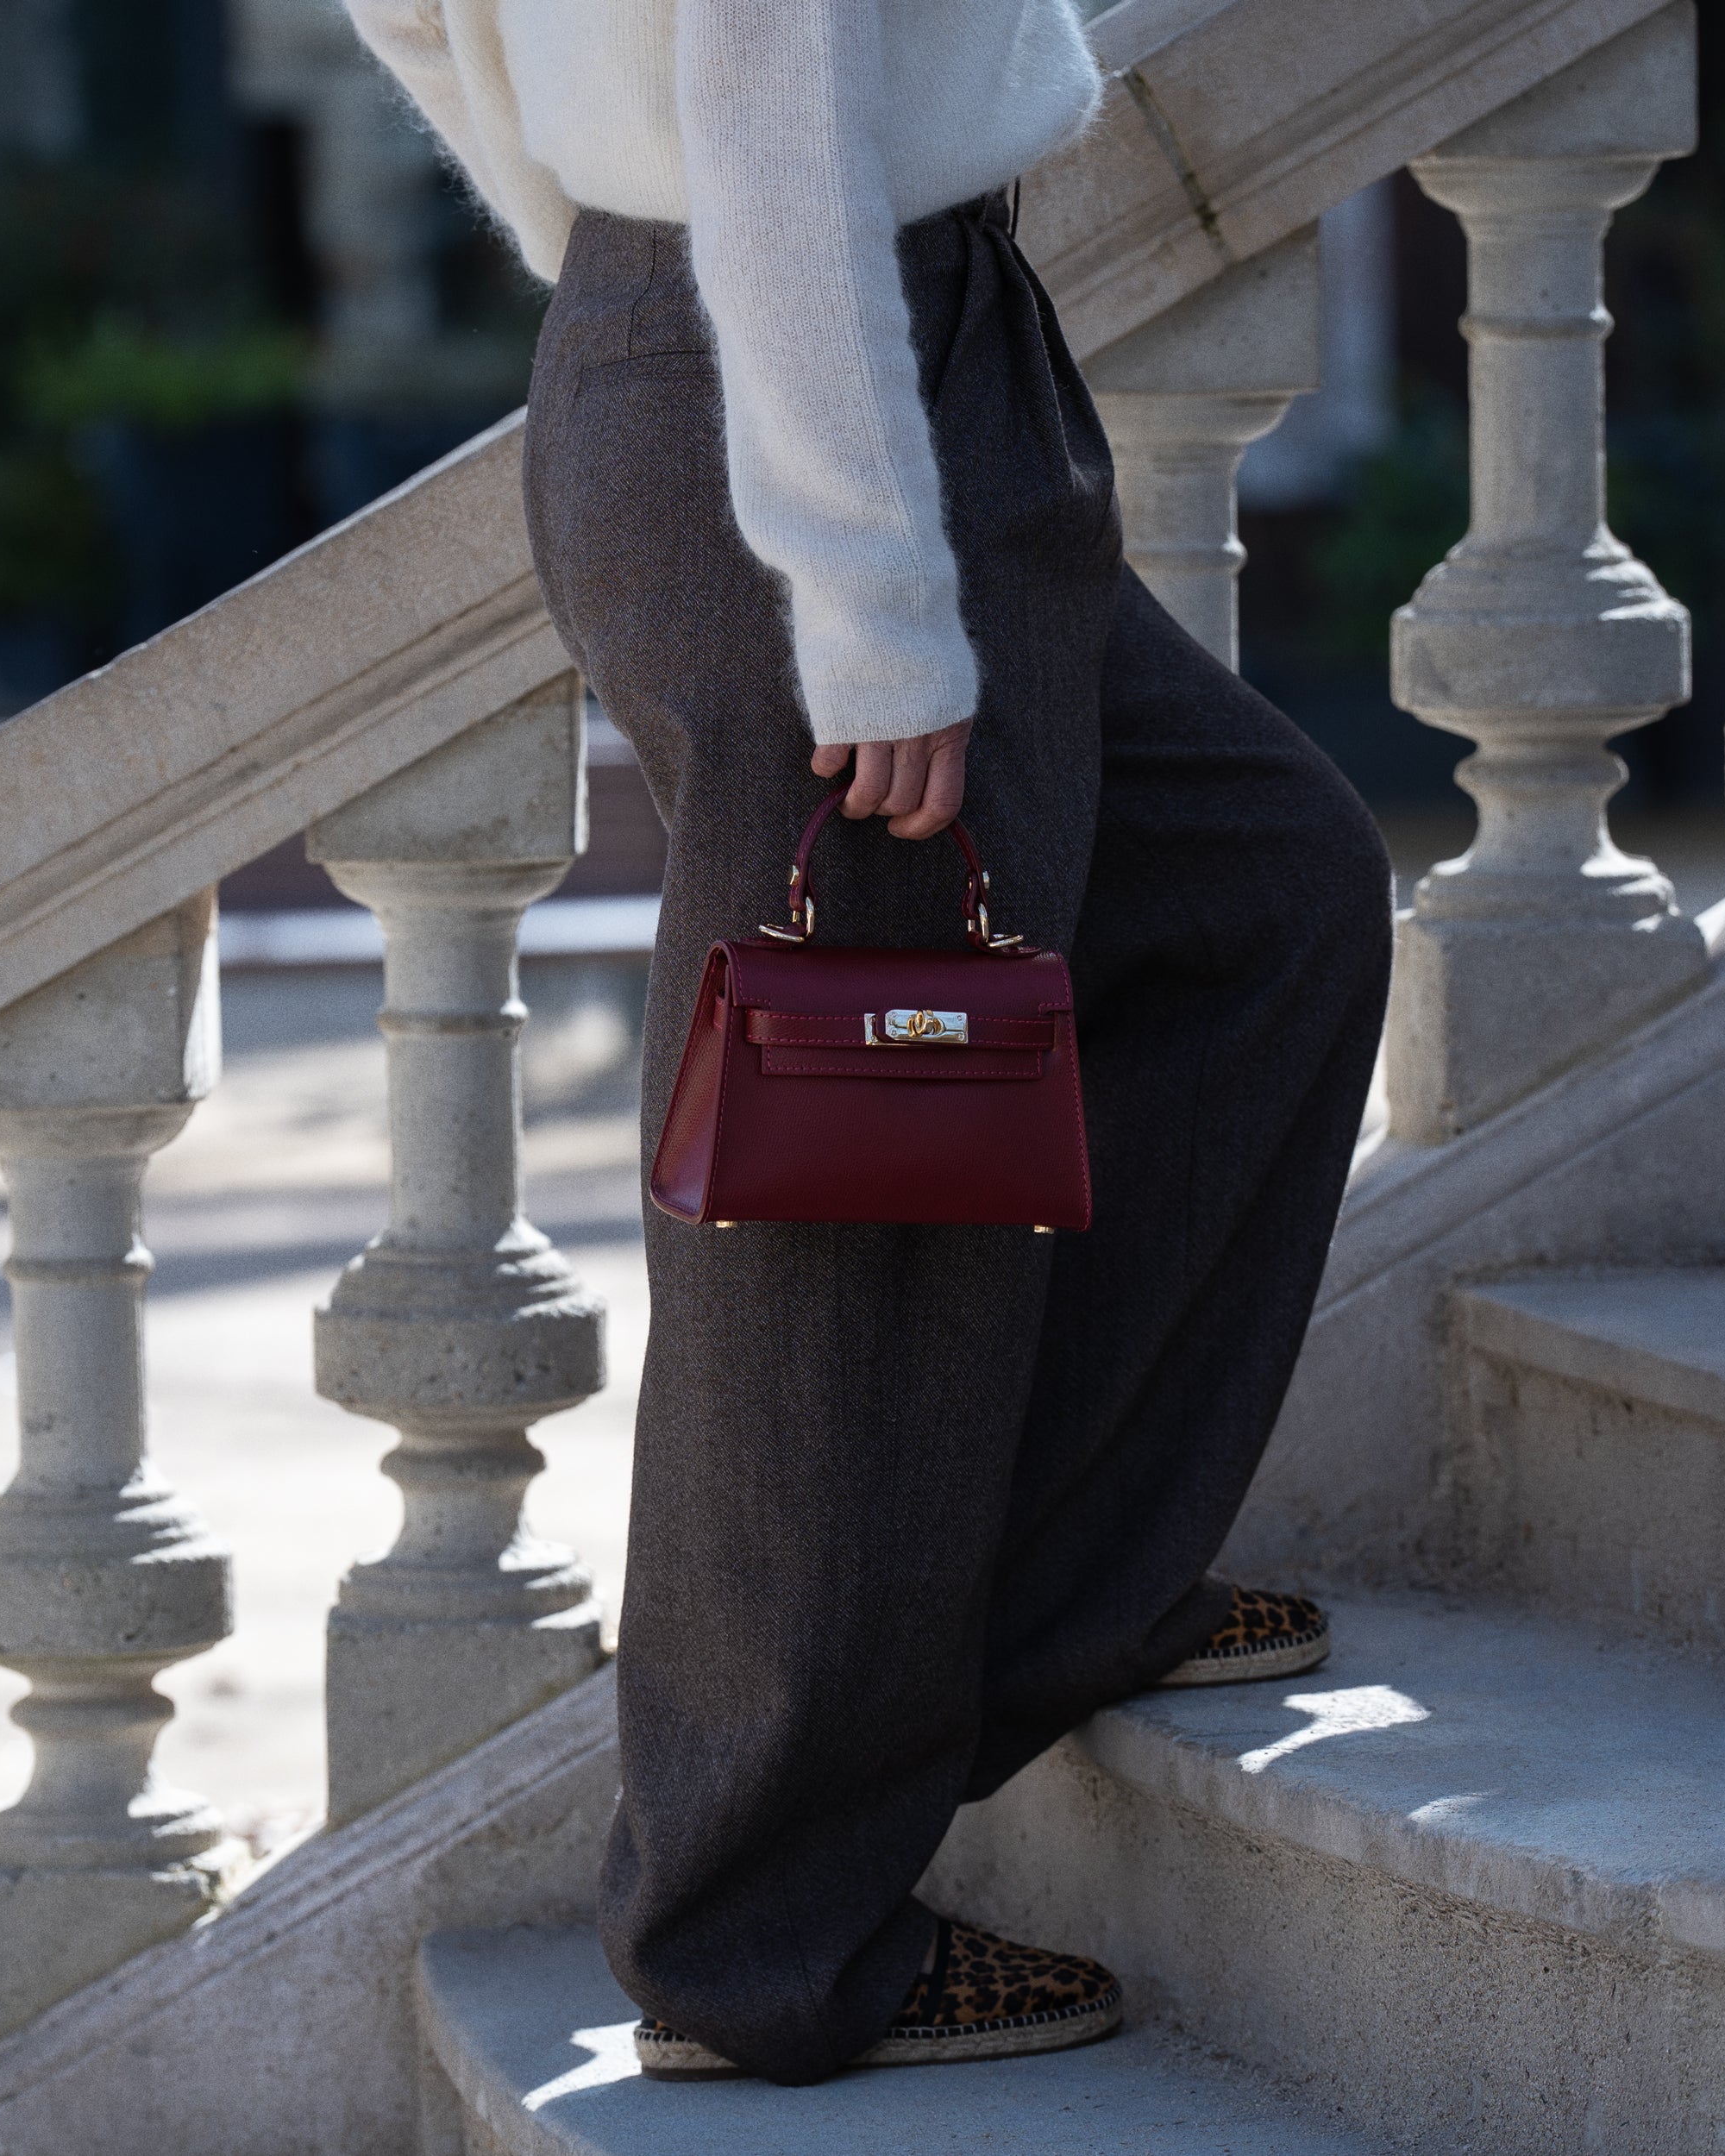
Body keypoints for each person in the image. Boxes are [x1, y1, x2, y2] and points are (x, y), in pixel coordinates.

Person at [345, 0, 1393, 2089]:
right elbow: (758, 90)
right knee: (850, 1187)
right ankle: (760, 1933)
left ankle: (1026, 1598)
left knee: (1257, 894)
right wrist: (869, 597)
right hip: (826, 375)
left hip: (774, 341)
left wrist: (612, 240)